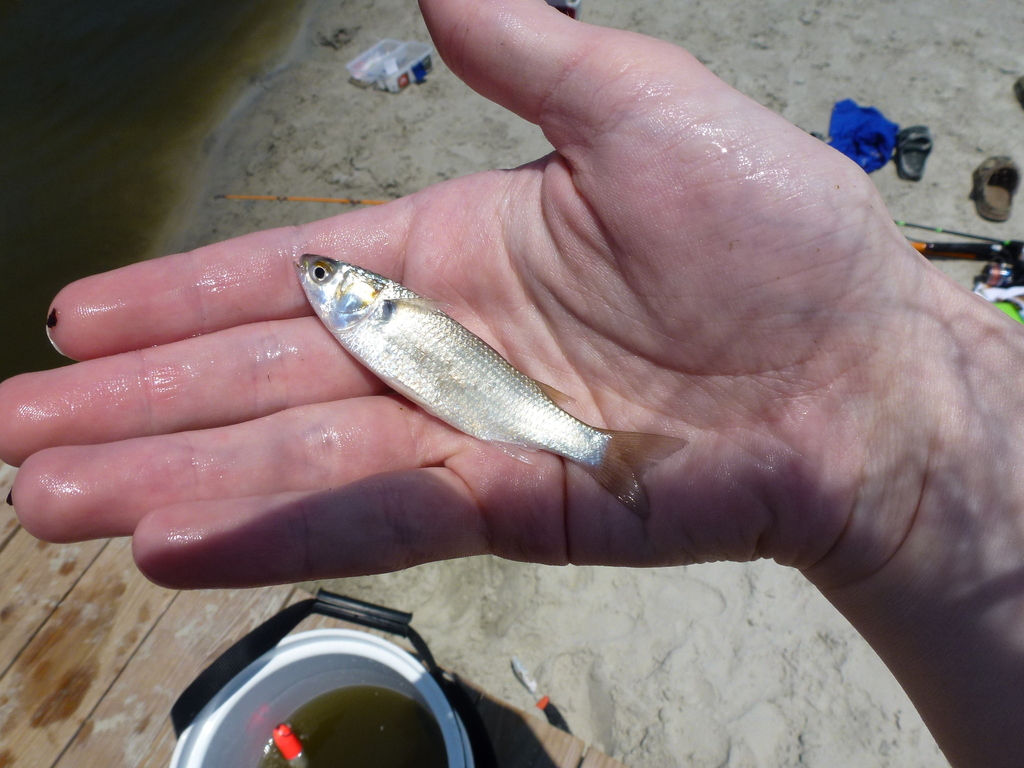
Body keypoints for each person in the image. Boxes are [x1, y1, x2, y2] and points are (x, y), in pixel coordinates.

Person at [1, 0, 1021, 764]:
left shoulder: (374, 307)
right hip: (505, 405)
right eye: (325, 280)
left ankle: (592, 450)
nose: (321, 288)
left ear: (353, 294)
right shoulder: (371, 311)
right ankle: (592, 449)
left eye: (327, 281)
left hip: (520, 413)